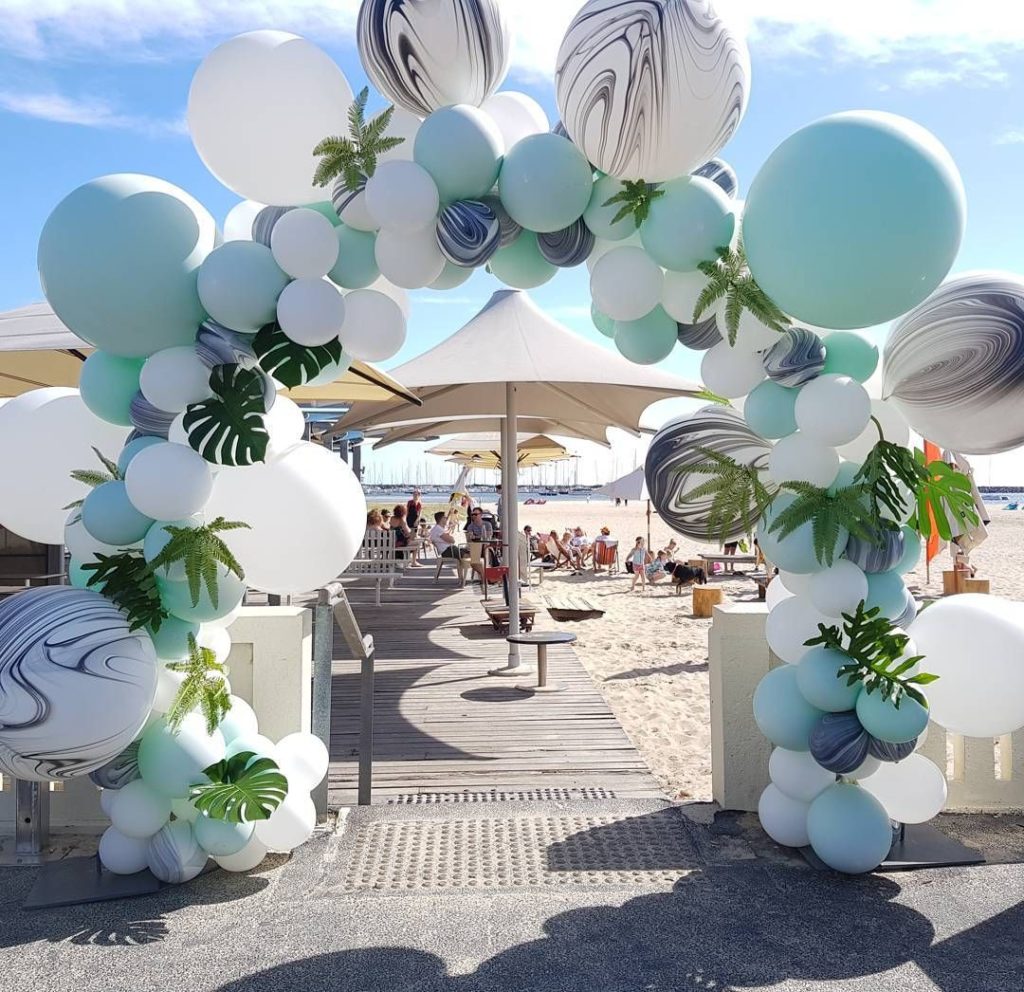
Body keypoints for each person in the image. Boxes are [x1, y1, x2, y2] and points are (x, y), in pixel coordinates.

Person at [428, 511, 466, 583]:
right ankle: (463, 578)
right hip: (447, 550)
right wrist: (450, 537)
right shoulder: (438, 529)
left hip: (447, 549)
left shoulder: (437, 528)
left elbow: (448, 539)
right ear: (441, 519)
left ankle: (462, 578)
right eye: (445, 517)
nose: (447, 519)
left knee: (466, 552)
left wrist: (449, 536)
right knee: (467, 556)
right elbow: (452, 540)